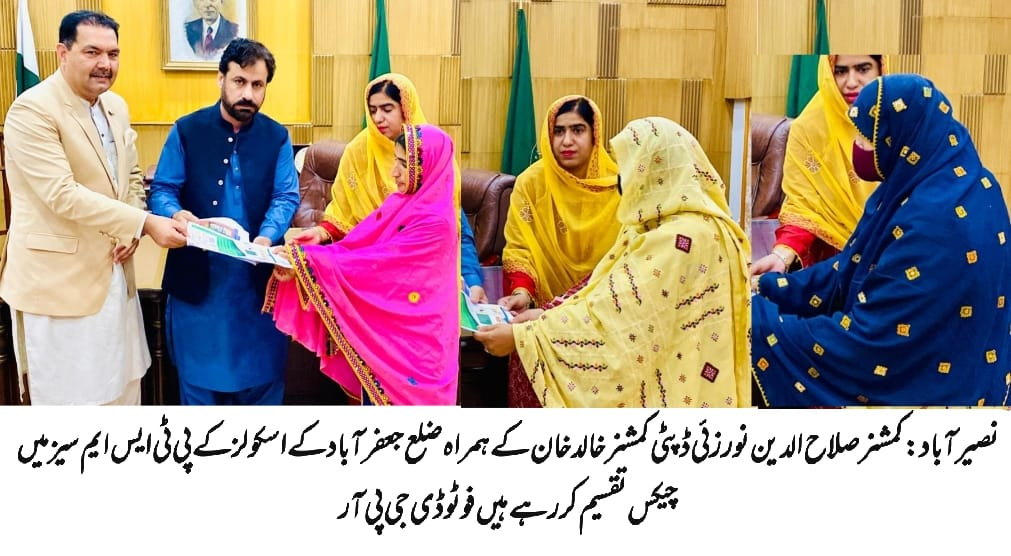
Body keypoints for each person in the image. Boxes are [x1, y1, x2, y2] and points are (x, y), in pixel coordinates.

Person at [751, 74, 1011, 407]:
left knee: (760, 339)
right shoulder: (958, 181)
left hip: (933, 391)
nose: (857, 147)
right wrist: (771, 287)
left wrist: (758, 321)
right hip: (972, 361)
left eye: (866, 137)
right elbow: (855, 266)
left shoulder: (930, 224)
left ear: (900, 136)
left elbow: (866, 345)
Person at [474, 117, 751, 408]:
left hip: (678, 381)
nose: (621, 178)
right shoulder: (652, 224)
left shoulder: (682, 237)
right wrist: (544, 315)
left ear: (656, 168)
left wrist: (528, 337)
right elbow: (601, 288)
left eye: (629, 166)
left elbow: (623, 321)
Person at [0, 10, 188, 405]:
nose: (105, 63)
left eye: (113, 54)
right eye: (92, 52)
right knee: (72, 406)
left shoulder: (114, 106)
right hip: (59, 287)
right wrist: (144, 223)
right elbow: (62, 194)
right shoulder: (31, 110)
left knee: (124, 392)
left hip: (115, 276)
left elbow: (131, 176)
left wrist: (129, 228)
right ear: (63, 53)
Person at [148, 38, 299, 405]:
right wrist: (176, 214)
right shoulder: (187, 129)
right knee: (199, 388)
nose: (248, 93)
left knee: (262, 385)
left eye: (258, 85)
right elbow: (163, 189)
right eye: (239, 82)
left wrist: (266, 238)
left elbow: (285, 196)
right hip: (198, 280)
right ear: (221, 79)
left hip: (256, 282)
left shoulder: (277, 136)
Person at [266, 123, 459, 406]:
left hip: (416, 349)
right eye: (395, 160)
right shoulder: (399, 202)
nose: (394, 172)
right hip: (386, 343)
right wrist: (306, 253)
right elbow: (357, 246)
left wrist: (306, 261)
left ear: (428, 167)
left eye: (405, 164)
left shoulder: (436, 223)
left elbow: (378, 266)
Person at [290, 73, 486, 303]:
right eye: (373, 110)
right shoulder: (358, 152)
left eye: (387, 109)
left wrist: (472, 280)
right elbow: (344, 215)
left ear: (406, 108)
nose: (378, 118)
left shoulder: (430, 152)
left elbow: (455, 226)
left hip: (420, 271)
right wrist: (320, 234)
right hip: (368, 263)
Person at [751, 55, 884, 275]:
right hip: (834, 261)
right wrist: (782, 255)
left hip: (898, 252)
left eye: (863, 69)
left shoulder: (900, 121)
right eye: (840, 71)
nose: (851, 82)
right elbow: (804, 207)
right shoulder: (809, 128)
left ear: (882, 69)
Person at [499, 95, 620, 313]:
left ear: (595, 134)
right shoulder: (532, 183)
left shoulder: (619, 186)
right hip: (542, 314)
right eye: (558, 131)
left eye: (578, 130)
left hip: (605, 308)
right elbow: (519, 247)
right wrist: (521, 293)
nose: (566, 141)